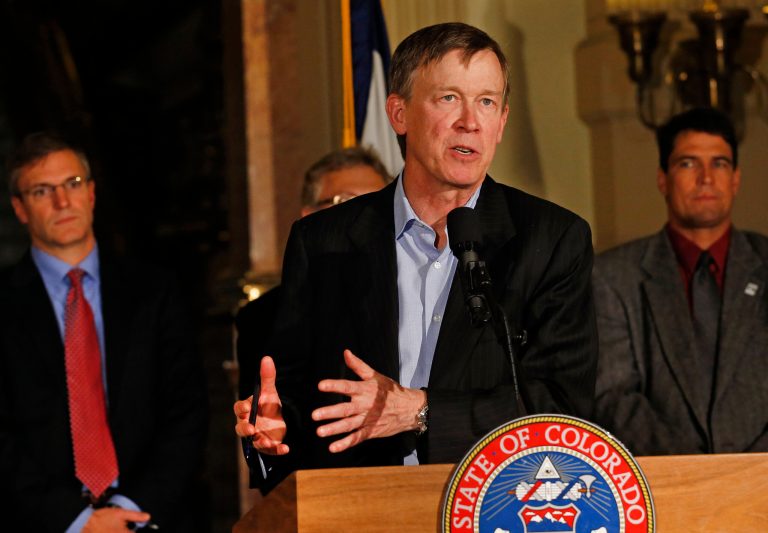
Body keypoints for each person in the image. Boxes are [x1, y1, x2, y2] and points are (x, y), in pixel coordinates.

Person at [234, 22, 597, 492]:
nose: (470, 121)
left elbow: (562, 408)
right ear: (399, 114)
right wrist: (275, 433)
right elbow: (298, 402)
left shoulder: (551, 239)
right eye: (448, 98)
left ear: (502, 122)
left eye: (487, 102)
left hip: (493, 503)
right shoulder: (323, 241)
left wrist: (421, 411)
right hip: (359, 507)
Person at [0, 132, 208, 531]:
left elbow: (187, 411)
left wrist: (131, 511)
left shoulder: (155, 291)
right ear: (20, 208)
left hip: (151, 518)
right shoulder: (2, 306)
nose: (62, 202)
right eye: (42, 191)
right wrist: (80, 521)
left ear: (91, 193)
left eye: (73, 184)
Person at [593, 107, 768, 455]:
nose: (706, 178)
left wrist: (749, 471)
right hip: (666, 479)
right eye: (688, 163)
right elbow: (613, 396)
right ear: (663, 179)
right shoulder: (612, 276)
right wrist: (695, 473)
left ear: (735, 179)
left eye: (719, 163)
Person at [235, 146, 391, 401]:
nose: (364, 218)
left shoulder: (417, 292)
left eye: (375, 204)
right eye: (347, 203)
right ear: (309, 216)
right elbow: (263, 412)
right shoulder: (263, 317)